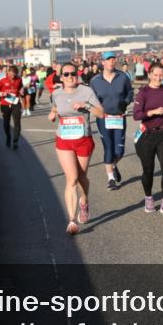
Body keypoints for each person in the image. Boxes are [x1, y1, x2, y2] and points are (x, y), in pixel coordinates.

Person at [49, 63, 105, 234]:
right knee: (71, 178)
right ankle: (72, 220)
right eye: (66, 74)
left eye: (73, 73)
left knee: (82, 177)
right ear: (61, 77)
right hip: (64, 140)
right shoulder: (56, 93)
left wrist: (85, 106)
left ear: (77, 74)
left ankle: (84, 200)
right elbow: (54, 109)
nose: (70, 77)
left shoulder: (86, 91)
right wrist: (52, 115)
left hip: (83, 139)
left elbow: (101, 113)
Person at [133, 62, 163, 216]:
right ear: (149, 75)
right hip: (147, 135)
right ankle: (149, 198)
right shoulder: (143, 92)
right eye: (156, 75)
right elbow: (136, 115)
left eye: (161, 75)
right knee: (148, 170)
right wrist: (152, 112)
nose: (158, 78)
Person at [91, 51, 134, 190]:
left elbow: (130, 92)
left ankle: (113, 165)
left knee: (120, 151)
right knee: (108, 147)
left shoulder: (123, 77)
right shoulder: (95, 81)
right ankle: (110, 179)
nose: (111, 61)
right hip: (104, 118)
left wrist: (126, 102)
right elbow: (91, 99)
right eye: (108, 59)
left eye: (113, 59)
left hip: (119, 117)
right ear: (102, 62)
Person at [0, 64, 24, 149]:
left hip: (15, 103)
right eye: (11, 74)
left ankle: (15, 142)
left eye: (14, 74)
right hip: (5, 104)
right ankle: (8, 137)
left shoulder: (19, 79)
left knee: (17, 122)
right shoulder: (2, 80)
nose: (12, 76)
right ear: (8, 72)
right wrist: (2, 93)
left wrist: (21, 91)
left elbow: (20, 88)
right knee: (6, 123)